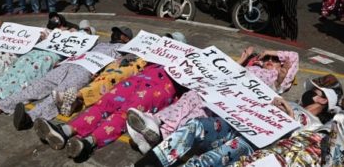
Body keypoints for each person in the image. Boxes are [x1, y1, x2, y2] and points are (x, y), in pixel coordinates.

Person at [126, 46, 299, 154]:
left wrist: (269, 51)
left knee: (199, 113)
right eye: (267, 59)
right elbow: (227, 71)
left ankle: (162, 136)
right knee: (191, 96)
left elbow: (293, 56)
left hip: (236, 100)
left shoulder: (277, 78)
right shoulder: (252, 67)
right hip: (220, 87)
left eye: (275, 60)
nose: (269, 61)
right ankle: (157, 123)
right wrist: (244, 59)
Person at [0, 26, 136, 130]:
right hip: (71, 63)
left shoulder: (124, 50)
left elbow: (118, 67)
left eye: (120, 33)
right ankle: (2, 105)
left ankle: (29, 118)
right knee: (40, 85)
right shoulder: (100, 43)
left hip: (87, 70)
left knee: (58, 93)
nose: (115, 33)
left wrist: (100, 75)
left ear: (126, 38)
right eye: (115, 31)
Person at [33, 63, 180, 159]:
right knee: (104, 104)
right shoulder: (155, 60)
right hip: (137, 80)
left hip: (161, 89)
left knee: (122, 115)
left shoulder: (187, 69)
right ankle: (64, 131)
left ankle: (88, 143)